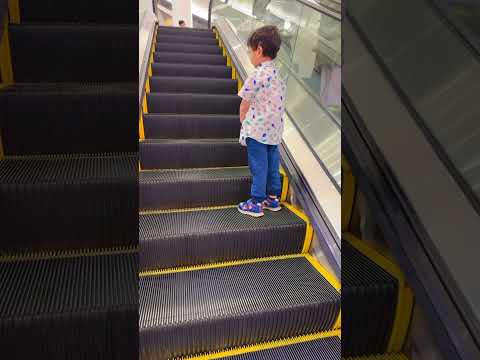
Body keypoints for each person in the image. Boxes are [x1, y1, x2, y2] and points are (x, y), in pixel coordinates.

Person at [237, 25, 286, 217]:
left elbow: (244, 104)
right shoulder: (278, 76)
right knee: (273, 165)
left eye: (250, 50)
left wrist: (244, 123)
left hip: (257, 131)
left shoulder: (256, 76)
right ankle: (273, 198)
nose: (249, 55)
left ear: (259, 49)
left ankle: (256, 202)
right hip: (274, 132)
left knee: (259, 166)